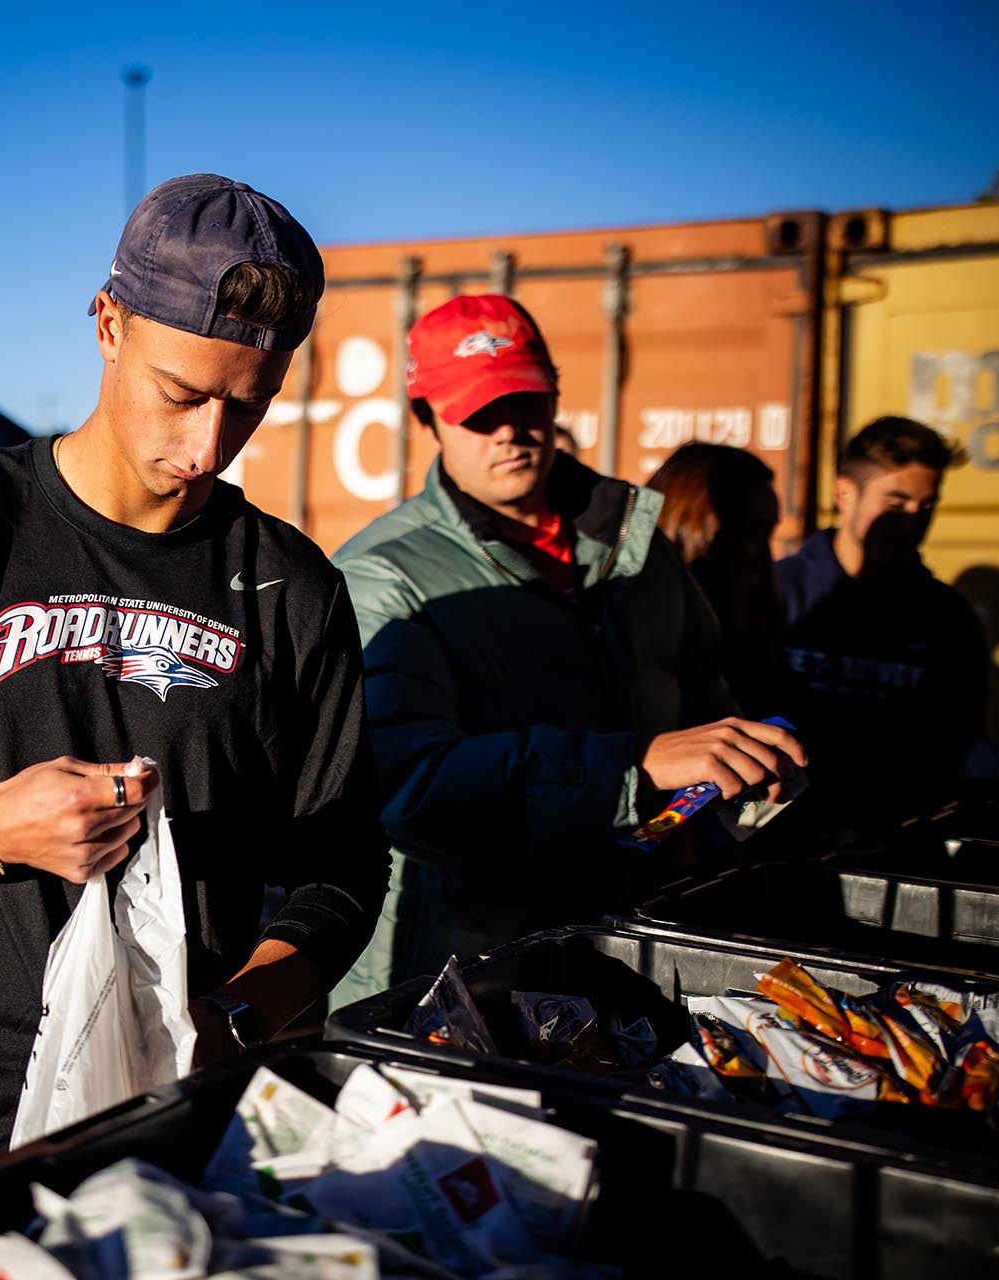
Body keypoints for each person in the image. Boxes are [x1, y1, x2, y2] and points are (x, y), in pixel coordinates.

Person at [0, 173, 388, 1271]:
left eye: (248, 403)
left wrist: (239, 1012)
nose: (208, 445)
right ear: (107, 322)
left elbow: (340, 862)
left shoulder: (291, 585)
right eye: (183, 392)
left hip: (166, 1135)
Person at [328, 294, 806, 1006]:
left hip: (639, 948)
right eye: (477, 411)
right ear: (427, 418)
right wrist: (632, 768)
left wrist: (738, 780)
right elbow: (409, 786)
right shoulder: (385, 575)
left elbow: (702, 688)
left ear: (555, 394)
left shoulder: (639, 546)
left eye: (525, 399)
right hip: (464, 978)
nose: (508, 430)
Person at [774, 416, 999, 812]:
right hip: (779, 838)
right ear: (844, 493)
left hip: (899, 843)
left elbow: (959, 747)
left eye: (927, 507)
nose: (912, 524)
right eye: (896, 503)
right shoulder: (775, 593)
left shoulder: (948, 616)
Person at [646, 442, 787, 713]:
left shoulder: (756, 619)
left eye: (768, 535)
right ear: (697, 527)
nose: (763, 556)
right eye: (753, 534)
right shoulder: (638, 623)